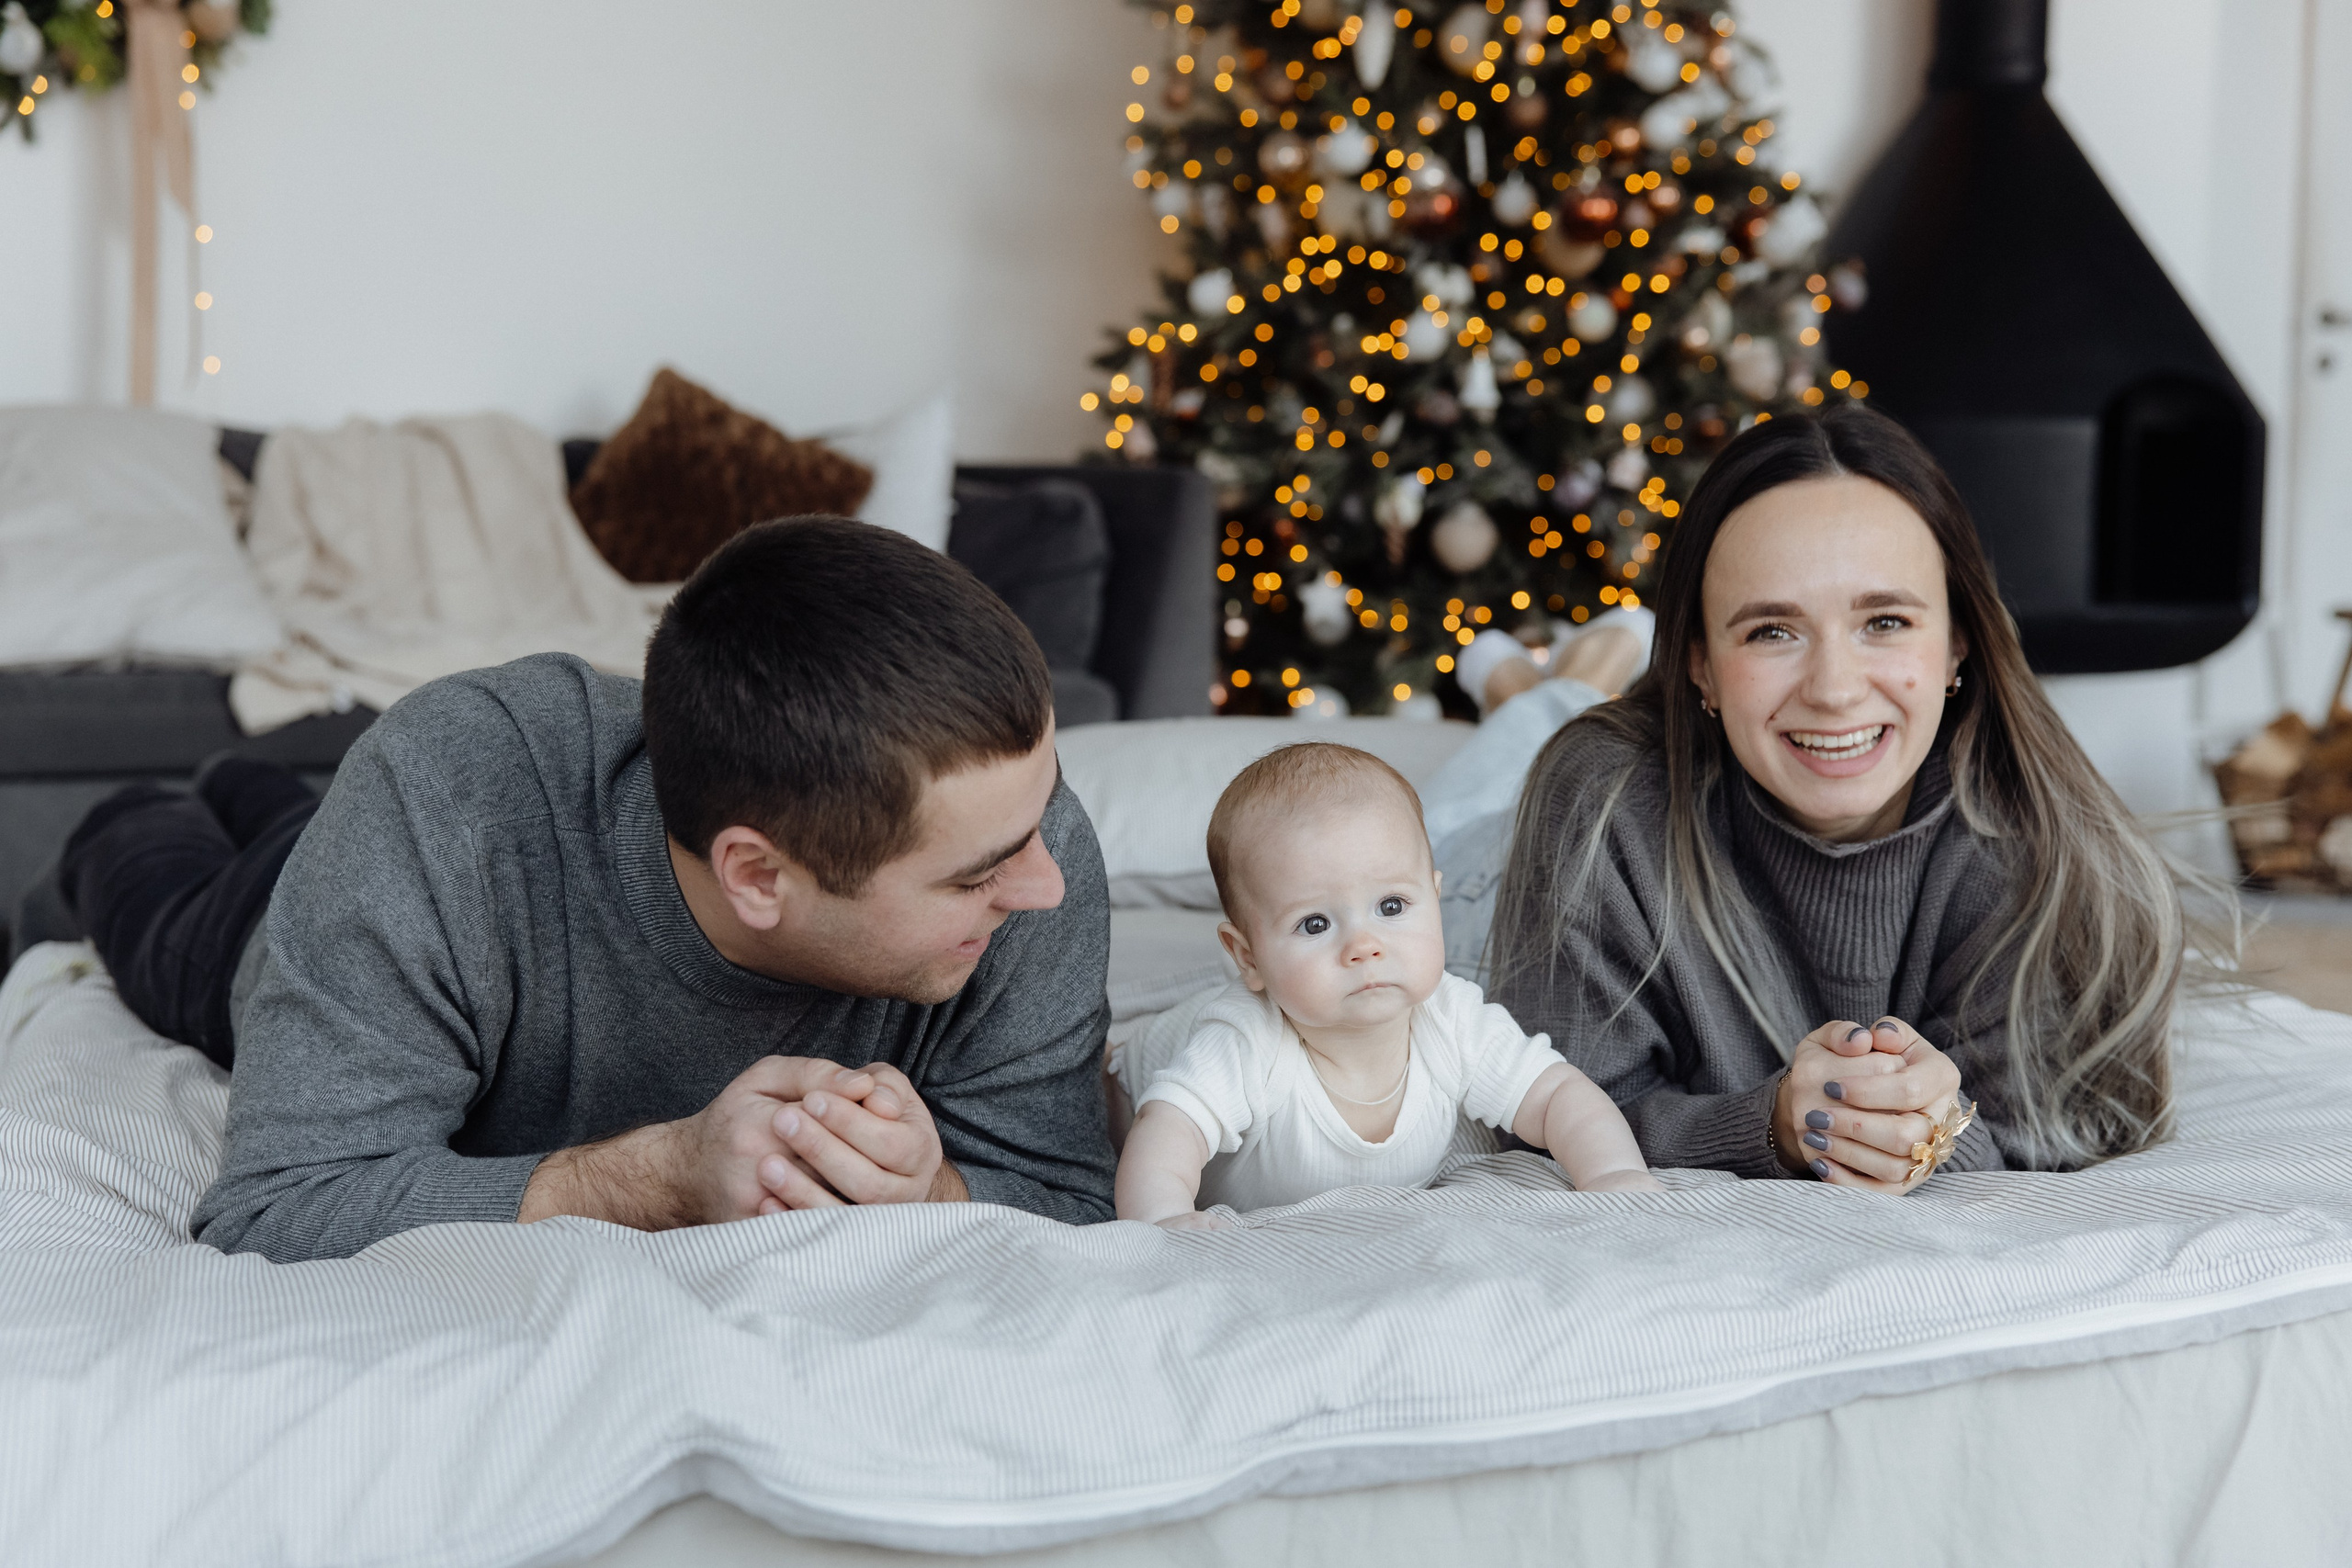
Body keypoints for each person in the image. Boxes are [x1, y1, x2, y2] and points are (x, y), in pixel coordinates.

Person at [39, 516, 1118, 1260]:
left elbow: (1068, 1191)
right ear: (758, 875)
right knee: (144, 854)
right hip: (265, 929)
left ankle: (263, 793)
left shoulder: (1014, 821)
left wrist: (931, 1193)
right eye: (979, 875)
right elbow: (282, 1205)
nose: (1046, 885)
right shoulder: (452, 791)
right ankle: (165, 806)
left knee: (285, 811)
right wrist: (659, 1179)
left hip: (401, 889)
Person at [1463, 403, 2192, 1190]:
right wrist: (1771, 1127)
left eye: (1884, 620)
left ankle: (1570, 667)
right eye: (1772, 631)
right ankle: (1546, 673)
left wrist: (1925, 1135)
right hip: (1461, 874)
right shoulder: (1600, 798)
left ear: (1957, 644)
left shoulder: (2029, 837)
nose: (1837, 691)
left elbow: (2047, 1132)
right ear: (1699, 663)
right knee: (1524, 735)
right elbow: (1546, 1117)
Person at [1114, 743, 1659, 1228]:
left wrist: (1611, 1173)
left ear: (1435, 898)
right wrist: (1164, 1219)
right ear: (1247, 957)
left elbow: (1558, 1094)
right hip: (1128, 1081)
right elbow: (1167, 1133)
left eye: (1391, 906)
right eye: (1315, 924)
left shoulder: (1450, 1018)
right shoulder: (1245, 1041)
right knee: (1106, 1098)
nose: (1364, 946)